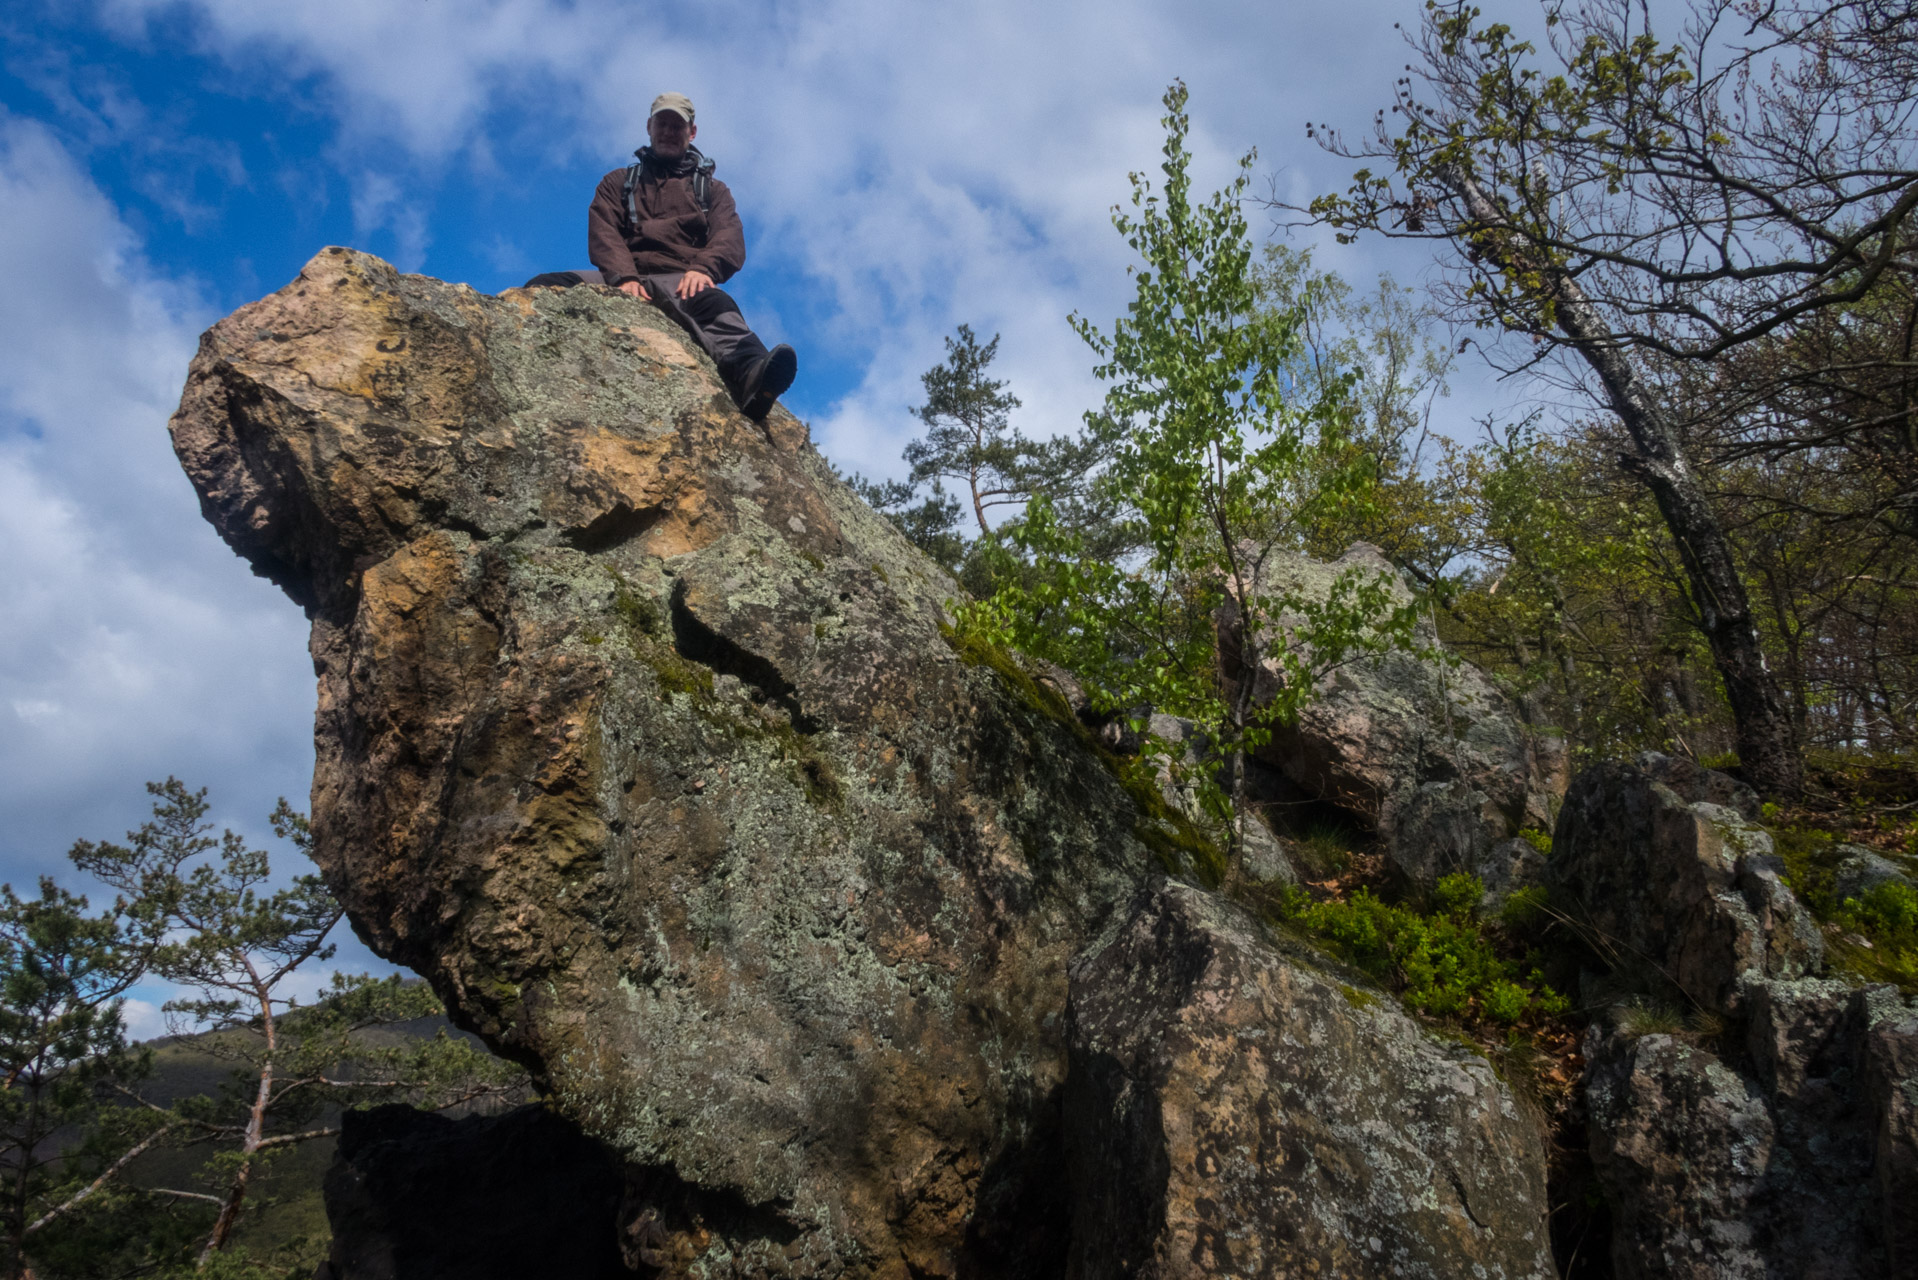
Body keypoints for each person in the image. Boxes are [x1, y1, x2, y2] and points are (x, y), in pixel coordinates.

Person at [527, 92, 797, 422]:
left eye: (677, 126)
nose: (669, 132)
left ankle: (755, 376)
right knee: (547, 285)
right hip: (623, 274)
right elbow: (604, 231)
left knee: (715, 306)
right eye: (662, 124)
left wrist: (703, 268)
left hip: (681, 278)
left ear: (692, 133)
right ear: (649, 127)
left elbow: (729, 236)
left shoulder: (712, 190)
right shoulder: (618, 183)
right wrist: (623, 275)